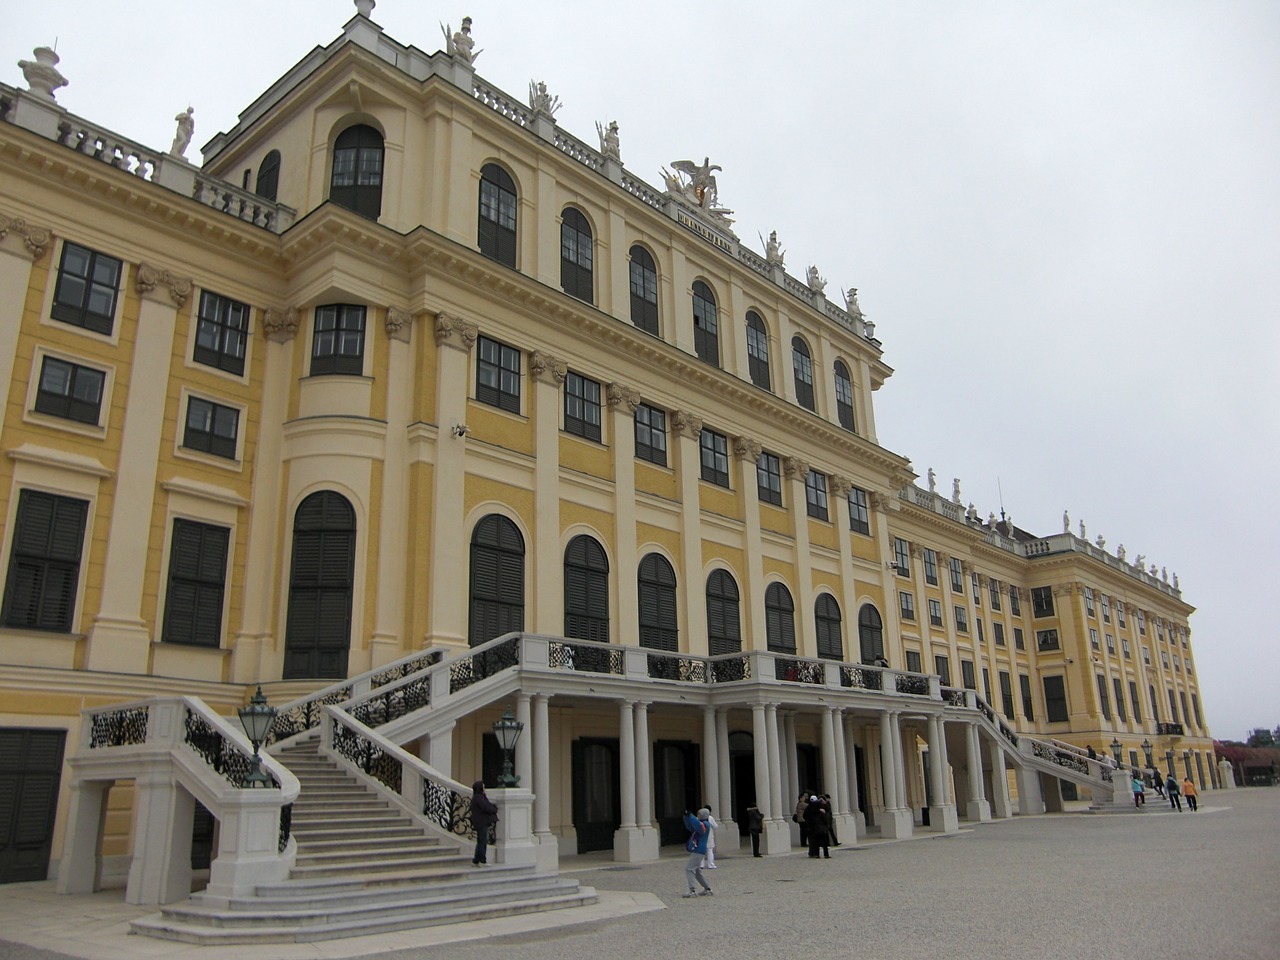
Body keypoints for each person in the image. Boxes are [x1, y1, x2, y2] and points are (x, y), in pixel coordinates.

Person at [682, 808, 713, 898]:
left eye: (699, 814)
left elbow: (696, 824)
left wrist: (690, 816)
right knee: (697, 871)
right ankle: (707, 889)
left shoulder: (705, 825)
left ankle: (692, 891)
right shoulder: (703, 824)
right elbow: (690, 826)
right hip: (698, 850)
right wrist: (686, 817)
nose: (697, 815)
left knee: (689, 869)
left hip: (698, 850)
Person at [469, 780, 498, 866]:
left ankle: (476, 860)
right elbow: (487, 807)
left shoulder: (479, 797)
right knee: (483, 841)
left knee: (480, 841)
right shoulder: (479, 798)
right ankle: (482, 860)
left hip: (480, 822)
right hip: (481, 822)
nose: (484, 788)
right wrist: (494, 809)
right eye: (483, 787)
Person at [806, 795, 830, 859]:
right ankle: (826, 854)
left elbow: (805, 816)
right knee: (824, 842)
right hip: (821, 827)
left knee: (815, 842)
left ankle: (816, 854)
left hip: (814, 827)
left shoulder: (809, 808)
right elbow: (826, 815)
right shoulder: (820, 808)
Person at [701, 804, 719, 869]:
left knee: (701, 850)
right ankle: (710, 864)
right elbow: (715, 826)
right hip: (709, 835)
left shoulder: (699, 817)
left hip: (701, 835)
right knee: (709, 850)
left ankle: (701, 864)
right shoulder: (710, 818)